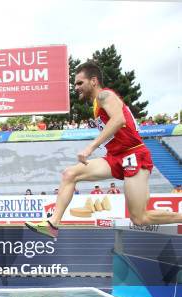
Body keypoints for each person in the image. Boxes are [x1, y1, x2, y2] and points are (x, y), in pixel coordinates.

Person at [26, 61, 182, 237]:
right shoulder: (96, 105)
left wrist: (90, 147)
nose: (76, 87)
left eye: (79, 83)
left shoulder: (104, 95)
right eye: (75, 84)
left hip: (134, 154)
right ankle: (52, 224)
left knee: (139, 218)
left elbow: (119, 120)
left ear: (93, 81)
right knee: (70, 174)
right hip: (115, 157)